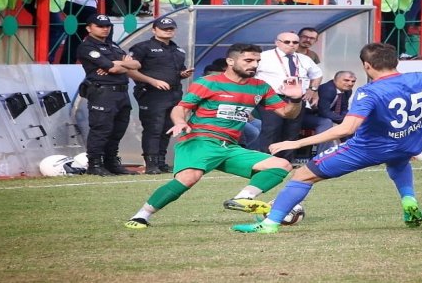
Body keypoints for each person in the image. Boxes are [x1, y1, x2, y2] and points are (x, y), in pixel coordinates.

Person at [231, 42, 422, 234]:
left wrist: (295, 143)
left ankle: (269, 224)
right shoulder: (421, 78)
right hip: (408, 143)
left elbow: (346, 129)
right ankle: (409, 201)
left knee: (303, 175)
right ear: (395, 61)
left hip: (368, 149)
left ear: (367, 66)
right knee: (398, 161)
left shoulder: (370, 91)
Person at [124, 43, 303, 229]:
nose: (254, 65)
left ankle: (243, 198)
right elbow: (182, 108)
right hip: (200, 140)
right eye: (248, 60)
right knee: (189, 178)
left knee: (282, 164)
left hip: (230, 147)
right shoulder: (208, 82)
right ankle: (141, 216)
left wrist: (296, 99)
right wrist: (180, 122)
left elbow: (287, 113)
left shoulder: (261, 87)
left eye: (257, 61)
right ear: (230, 61)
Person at [76, 13, 141, 176]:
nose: (105, 29)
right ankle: (95, 164)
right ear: (89, 28)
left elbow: (137, 64)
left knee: (118, 130)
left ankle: (111, 162)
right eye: (100, 26)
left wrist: (119, 64)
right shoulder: (87, 47)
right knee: (101, 129)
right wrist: (122, 65)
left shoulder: (113, 46)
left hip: (121, 92)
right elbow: (111, 68)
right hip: (102, 92)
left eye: (107, 26)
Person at [128, 17, 194, 174]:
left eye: (171, 28)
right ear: (154, 30)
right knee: (153, 128)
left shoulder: (178, 50)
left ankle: (161, 161)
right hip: (152, 93)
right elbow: (130, 70)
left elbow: (177, 71)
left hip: (174, 92)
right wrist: (152, 81)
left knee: (168, 127)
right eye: (164, 28)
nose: (168, 30)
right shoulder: (142, 47)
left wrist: (183, 74)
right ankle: (151, 164)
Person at [255, 32, 323, 162]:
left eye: (295, 42)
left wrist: (313, 89)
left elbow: (317, 74)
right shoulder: (264, 57)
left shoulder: (303, 59)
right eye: (287, 42)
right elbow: (251, 74)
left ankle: (287, 161)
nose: (291, 45)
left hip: (296, 98)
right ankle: (266, 160)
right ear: (277, 42)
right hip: (272, 97)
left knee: (292, 130)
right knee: (272, 129)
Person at [302, 70, 356, 153]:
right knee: (327, 122)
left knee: (352, 123)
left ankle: (349, 151)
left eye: (353, 81)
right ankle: (323, 154)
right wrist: (344, 120)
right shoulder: (328, 89)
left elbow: (344, 108)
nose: (350, 84)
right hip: (307, 115)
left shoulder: (347, 91)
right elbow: (324, 112)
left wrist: (348, 119)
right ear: (335, 80)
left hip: (323, 115)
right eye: (346, 80)